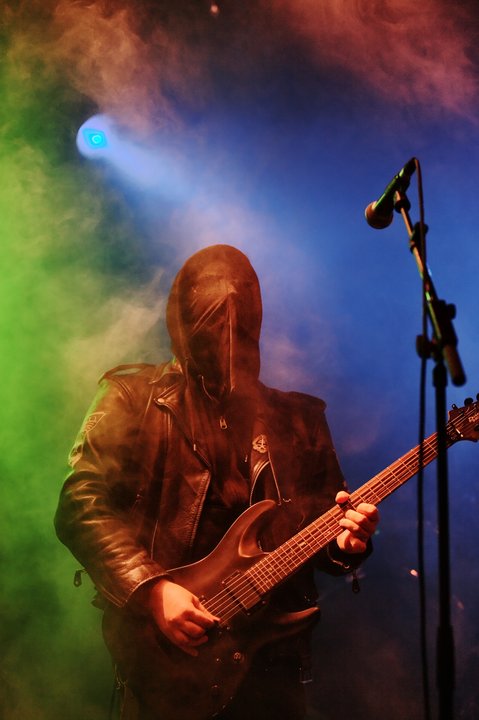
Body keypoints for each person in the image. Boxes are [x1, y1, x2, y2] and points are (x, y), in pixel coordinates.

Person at [55, 244, 379, 720]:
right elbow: (80, 503)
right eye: (211, 321)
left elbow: (325, 531)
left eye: (239, 323)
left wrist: (347, 545)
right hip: (169, 658)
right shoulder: (132, 398)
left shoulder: (299, 419)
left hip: (273, 666)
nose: (227, 337)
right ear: (183, 321)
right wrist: (152, 589)